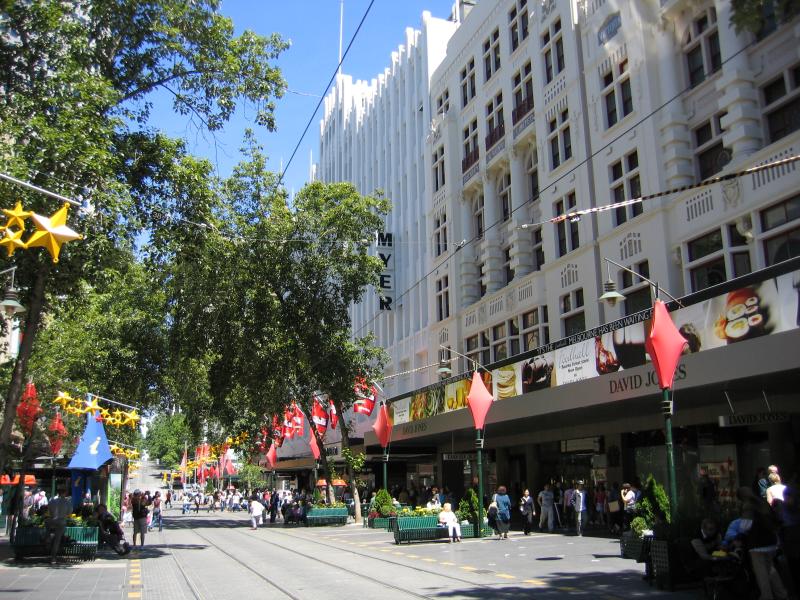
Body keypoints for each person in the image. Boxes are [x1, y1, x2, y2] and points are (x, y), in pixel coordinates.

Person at [47, 487, 71, 564]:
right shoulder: (67, 501)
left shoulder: (52, 500)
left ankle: (48, 538)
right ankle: (53, 557)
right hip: (61, 522)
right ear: (65, 493)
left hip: (52, 521)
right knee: (57, 540)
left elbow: (49, 510)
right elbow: (69, 512)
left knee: (49, 531)